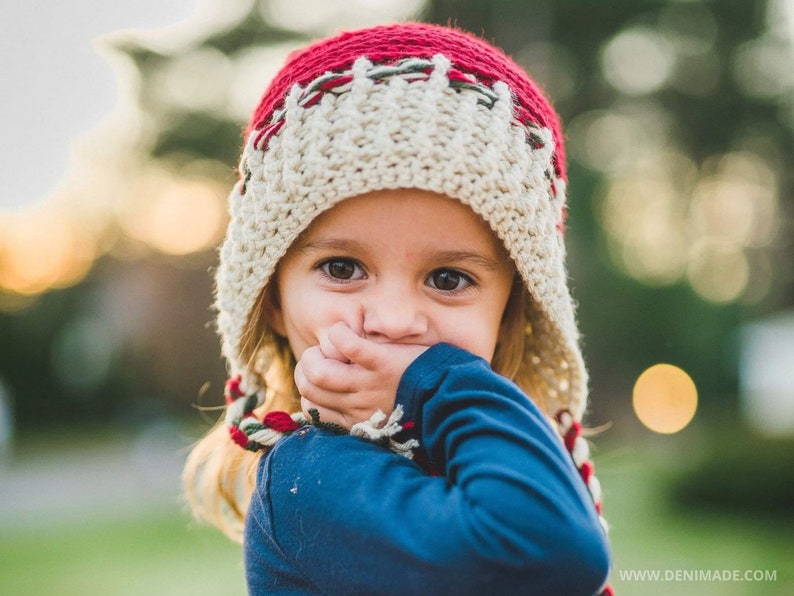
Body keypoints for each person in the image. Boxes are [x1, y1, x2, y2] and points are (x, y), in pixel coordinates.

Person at [183, 22, 612, 595]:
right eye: (341, 268)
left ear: (509, 317)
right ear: (273, 305)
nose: (390, 319)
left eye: (447, 278)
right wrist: (440, 381)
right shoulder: (311, 478)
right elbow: (551, 553)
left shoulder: (480, 458)